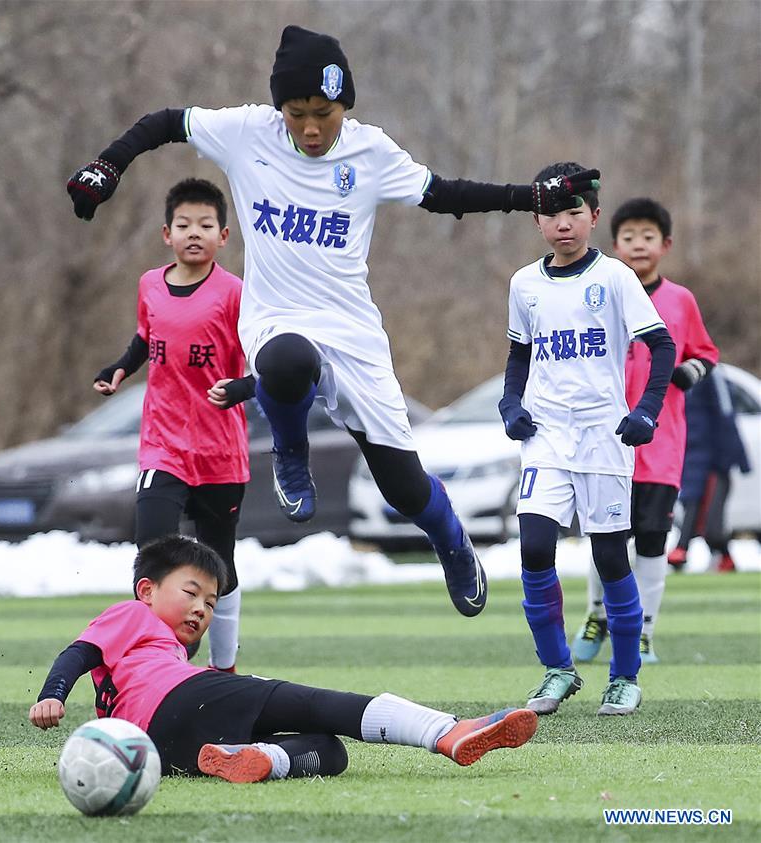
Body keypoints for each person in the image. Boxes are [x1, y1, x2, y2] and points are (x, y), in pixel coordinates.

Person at [65, 24, 600, 618]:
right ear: (279, 108)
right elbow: (164, 122)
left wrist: (529, 196)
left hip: (351, 331)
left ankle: (451, 541)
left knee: (401, 485)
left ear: (346, 105)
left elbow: (444, 195)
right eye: (297, 113)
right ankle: (291, 454)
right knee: (287, 361)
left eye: (326, 113)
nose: (312, 128)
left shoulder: (368, 151)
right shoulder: (248, 133)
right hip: (278, 319)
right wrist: (106, 166)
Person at [28, 535, 538, 782]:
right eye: (191, 593)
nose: (202, 609)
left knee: (329, 753)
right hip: (185, 700)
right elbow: (77, 653)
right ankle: (444, 731)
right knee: (316, 704)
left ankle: (256, 761)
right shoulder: (132, 615)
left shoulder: (154, 653)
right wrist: (52, 695)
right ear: (146, 589)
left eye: (211, 602)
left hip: (162, 751)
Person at [498, 164, 676, 716]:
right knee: (533, 545)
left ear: (594, 216)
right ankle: (556, 669)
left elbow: (663, 347)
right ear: (537, 221)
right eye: (552, 214)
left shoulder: (617, 278)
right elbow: (519, 354)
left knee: (609, 557)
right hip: (547, 434)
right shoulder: (524, 283)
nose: (564, 224)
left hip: (603, 434)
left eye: (574, 212)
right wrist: (511, 403)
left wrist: (646, 410)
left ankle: (625, 676)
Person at [93, 178, 249, 671]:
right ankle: (150, 662)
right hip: (162, 447)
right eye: (184, 225)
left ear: (224, 236)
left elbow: (259, 362)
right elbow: (145, 337)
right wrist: (119, 367)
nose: (194, 233)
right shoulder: (149, 285)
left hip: (220, 451)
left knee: (218, 562)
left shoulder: (236, 294)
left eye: (205, 225)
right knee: (152, 552)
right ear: (167, 233)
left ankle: (223, 669)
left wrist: (240, 389)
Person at [570, 198, 718, 664]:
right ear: (614, 244)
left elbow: (705, 352)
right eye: (629, 237)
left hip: (661, 444)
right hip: (604, 440)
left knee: (653, 537)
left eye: (647, 236)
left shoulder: (680, 301)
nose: (638, 245)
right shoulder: (597, 292)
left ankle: (643, 630)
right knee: (605, 536)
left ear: (665, 245)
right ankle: (597, 614)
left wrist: (691, 371)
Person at [668, 367, 751, 572]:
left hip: (714, 464)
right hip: (690, 461)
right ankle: (690, 551)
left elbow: (726, 415)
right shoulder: (674, 371)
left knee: (710, 525)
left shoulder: (712, 375)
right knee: (692, 507)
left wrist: (738, 459)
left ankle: (682, 549)